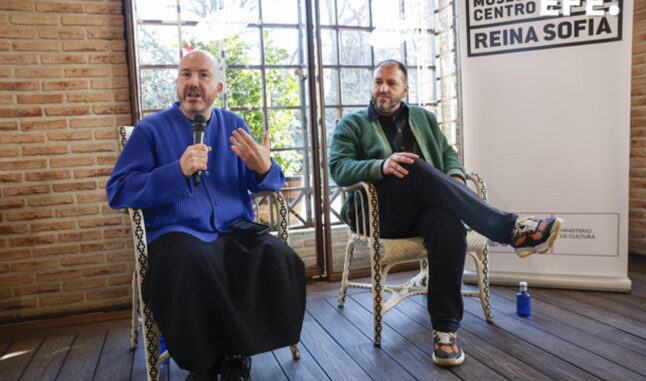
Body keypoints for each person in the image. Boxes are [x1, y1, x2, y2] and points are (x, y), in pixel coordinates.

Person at [328, 59, 563, 367]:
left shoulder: (424, 118)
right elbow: (338, 168)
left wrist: (454, 175)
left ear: (405, 89)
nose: (382, 88)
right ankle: (511, 230)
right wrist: (380, 166)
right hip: (380, 214)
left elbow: (448, 153)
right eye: (377, 82)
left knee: (448, 224)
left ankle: (445, 332)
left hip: (424, 209)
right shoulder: (352, 124)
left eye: (391, 83)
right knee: (409, 165)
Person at [106, 50, 306, 381]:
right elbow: (119, 191)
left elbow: (269, 182)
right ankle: (208, 363)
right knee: (192, 264)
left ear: (219, 87)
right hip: (176, 233)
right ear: (177, 83)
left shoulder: (234, 126)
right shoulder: (150, 130)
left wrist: (264, 168)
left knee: (281, 257)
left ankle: (238, 353)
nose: (193, 83)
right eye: (186, 74)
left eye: (203, 75)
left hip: (232, 229)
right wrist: (177, 171)